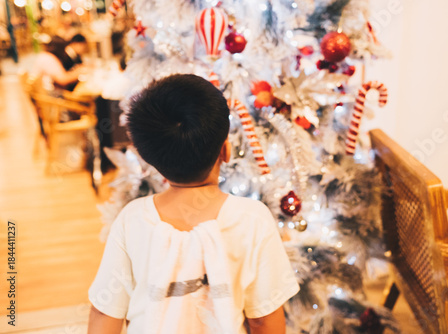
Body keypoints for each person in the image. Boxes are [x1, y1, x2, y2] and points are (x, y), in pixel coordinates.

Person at [87, 74, 300, 333]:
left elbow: (105, 311)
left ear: (149, 159)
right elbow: (264, 318)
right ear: (225, 150)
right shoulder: (252, 219)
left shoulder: (132, 219)